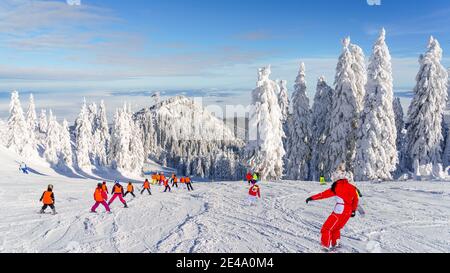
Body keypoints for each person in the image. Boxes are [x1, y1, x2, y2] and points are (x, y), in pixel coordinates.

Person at [305, 163, 359, 251]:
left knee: (326, 228)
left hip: (339, 211)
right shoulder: (352, 187)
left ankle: (325, 247)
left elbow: (323, 195)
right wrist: (353, 210)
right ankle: (336, 244)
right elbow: (355, 200)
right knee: (336, 228)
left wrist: (312, 198)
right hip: (348, 212)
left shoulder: (336, 186)